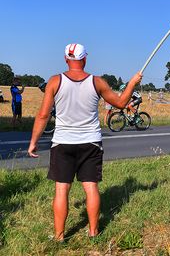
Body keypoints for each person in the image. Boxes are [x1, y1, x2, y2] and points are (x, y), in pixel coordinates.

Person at [27, 43, 142, 242]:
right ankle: (93, 232)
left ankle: (59, 236)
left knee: (62, 189)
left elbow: (43, 114)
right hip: (91, 142)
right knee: (91, 188)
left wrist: (34, 142)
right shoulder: (97, 82)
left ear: (65, 59)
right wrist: (132, 82)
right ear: (85, 59)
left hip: (62, 142)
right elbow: (122, 103)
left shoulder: (55, 81)